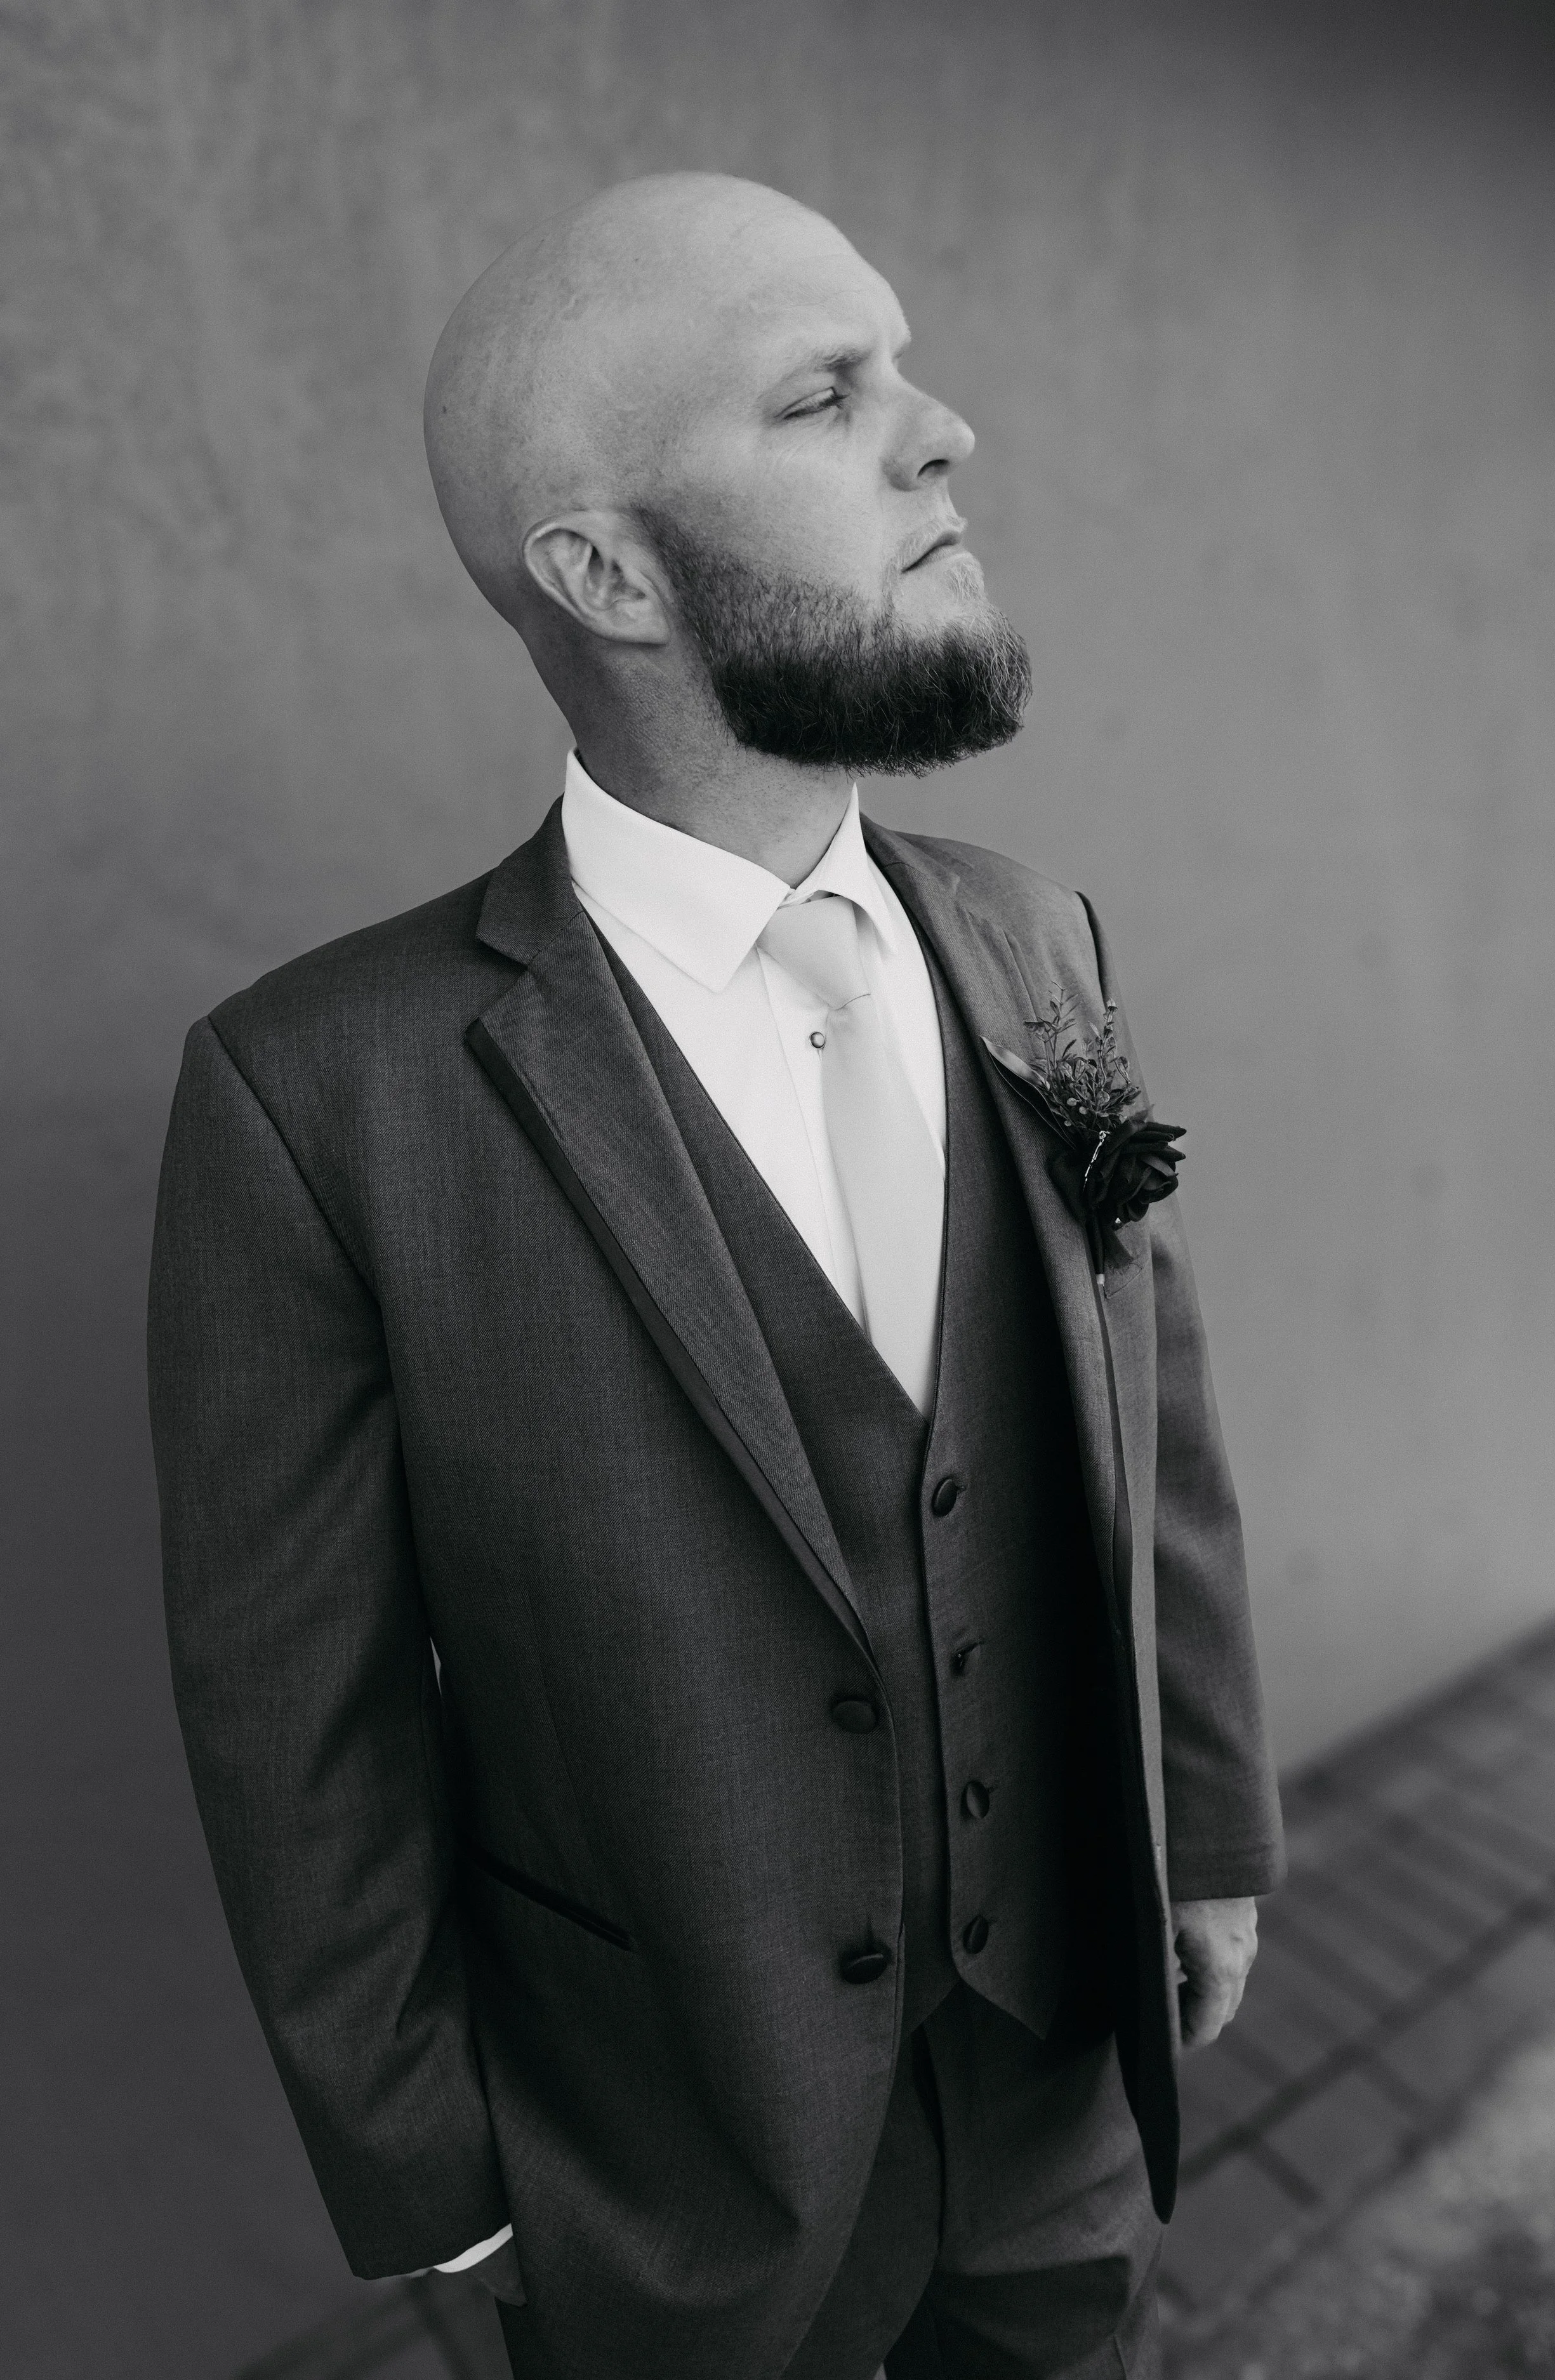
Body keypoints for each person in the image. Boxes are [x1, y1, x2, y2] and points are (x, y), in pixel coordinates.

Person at [149, 173, 1283, 2380]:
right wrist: (431, 2182)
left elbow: (1162, 1426)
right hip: (664, 2148)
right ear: (605, 570)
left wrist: (1205, 1825)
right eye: (823, 395)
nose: (940, 434)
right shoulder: (324, 1091)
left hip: (1055, 2059)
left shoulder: (1033, 939)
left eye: (905, 363)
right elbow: (301, 1721)